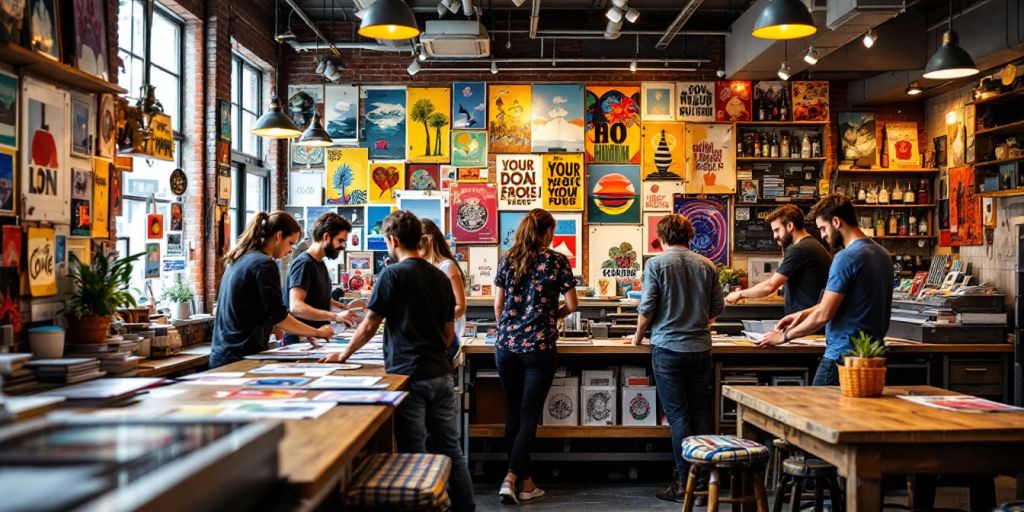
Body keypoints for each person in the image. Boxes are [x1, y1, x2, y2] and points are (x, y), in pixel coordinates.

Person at [319, 210, 475, 512]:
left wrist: (343, 354)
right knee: (451, 450)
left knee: (413, 452)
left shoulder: (392, 274)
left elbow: (368, 325)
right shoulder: (440, 276)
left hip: (408, 377)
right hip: (440, 373)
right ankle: (466, 508)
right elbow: (447, 334)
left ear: (392, 240)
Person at [632, 214, 723, 503]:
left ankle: (686, 486)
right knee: (700, 413)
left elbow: (647, 309)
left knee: (678, 417)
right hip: (700, 350)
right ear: (689, 235)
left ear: (662, 237)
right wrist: (697, 323)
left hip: (668, 349)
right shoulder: (707, 265)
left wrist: (637, 337)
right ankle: (706, 485)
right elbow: (717, 307)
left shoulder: (656, 264)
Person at [757, 195, 894, 385]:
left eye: (823, 228)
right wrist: (802, 314)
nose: (822, 235)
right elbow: (847, 302)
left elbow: (824, 314)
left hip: (842, 356)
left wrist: (784, 336)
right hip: (873, 356)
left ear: (836, 222)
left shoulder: (846, 258)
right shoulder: (883, 255)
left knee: (815, 412)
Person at [493, 208, 578, 505]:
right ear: (546, 232)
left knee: (513, 413)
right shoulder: (556, 261)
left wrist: (509, 327)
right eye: (551, 230)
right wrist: (551, 316)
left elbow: (498, 306)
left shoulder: (508, 258)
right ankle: (512, 477)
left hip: (506, 347)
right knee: (529, 415)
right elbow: (573, 303)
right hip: (539, 348)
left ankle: (524, 482)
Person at [210, 211, 334, 369]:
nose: (290, 250)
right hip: (240, 357)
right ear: (279, 236)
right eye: (290, 243)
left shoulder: (240, 258)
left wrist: (301, 330)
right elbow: (280, 317)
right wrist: (317, 332)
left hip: (223, 354)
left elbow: (253, 310)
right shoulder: (264, 265)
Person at [725, 204, 832, 315]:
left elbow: (770, 286)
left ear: (790, 226)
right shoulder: (810, 245)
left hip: (807, 324)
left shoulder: (799, 249)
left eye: (777, 230)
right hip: (809, 321)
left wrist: (740, 294)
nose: (774, 236)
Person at [282, 212, 360, 345]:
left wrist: (342, 308)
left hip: (317, 340)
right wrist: (335, 316)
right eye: (340, 240)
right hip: (301, 343)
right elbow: (296, 306)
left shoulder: (319, 263)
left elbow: (315, 299)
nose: (342, 246)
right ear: (327, 237)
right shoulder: (304, 264)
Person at [420, 218, 466, 359]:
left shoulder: (446, 267)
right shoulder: (423, 266)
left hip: (446, 338)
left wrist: (434, 319)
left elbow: (461, 307)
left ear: (429, 241)